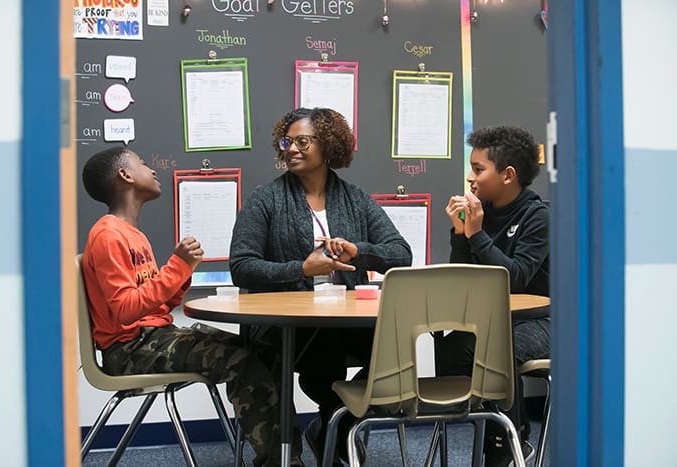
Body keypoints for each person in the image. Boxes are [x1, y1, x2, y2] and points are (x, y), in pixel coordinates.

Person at [81, 146, 302, 467]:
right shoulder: (107, 236)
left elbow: (158, 305)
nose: (153, 170)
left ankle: (286, 455)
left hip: (155, 337)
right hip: (130, 350)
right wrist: (176, 266)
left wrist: (182, 273)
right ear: (125, 175)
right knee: (242, 360)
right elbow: (126, 310)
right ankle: (277, 462)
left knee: (268, 349)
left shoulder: (133, 235)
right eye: (143, 163)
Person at [229, 108, 413, 465]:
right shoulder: (265, 199)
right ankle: (333, 419)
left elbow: (400, 253)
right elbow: (242, 267)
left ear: (327, 146)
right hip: (288, 325)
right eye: (287, 141)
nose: (291, 149)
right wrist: (301, 268)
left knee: (392, 353)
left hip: (348, 318)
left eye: (302, 141)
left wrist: (361, 252)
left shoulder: (354, 198)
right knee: (323, 351)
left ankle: (334, 422)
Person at [437, 125, 550, 467]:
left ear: (508, 175)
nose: (470, 178)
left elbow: (513, 278)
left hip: (541, 320)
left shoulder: (538, 217)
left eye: (478, 169)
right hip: (493, 319)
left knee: (497, 349)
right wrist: (461, 235)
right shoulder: (476, 214)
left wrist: (476, 234)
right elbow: (463, 278)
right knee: (451, 349)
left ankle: (510, 443)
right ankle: (492, 427)